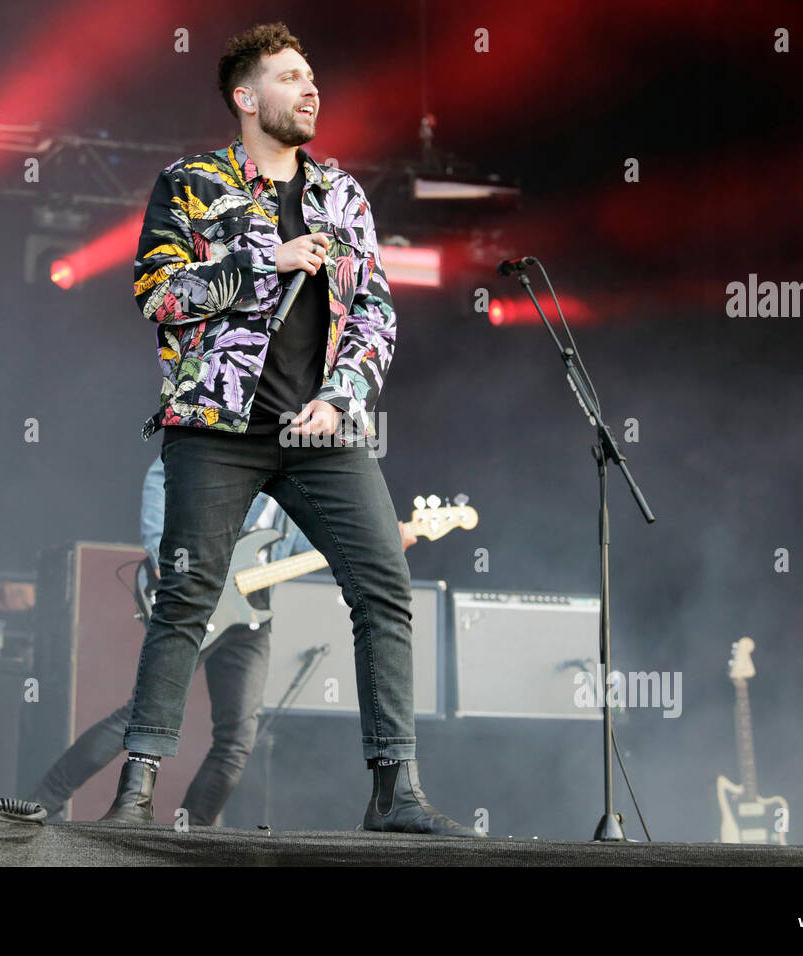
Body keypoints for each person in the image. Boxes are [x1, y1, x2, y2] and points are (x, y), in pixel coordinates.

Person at [105, 22, 480, 836]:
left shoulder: (343, 196)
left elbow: (376, 313)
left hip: (322, 432)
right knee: (187, 600)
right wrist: (257, 263)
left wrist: (343, 397)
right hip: (216, 425)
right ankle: (136, 791)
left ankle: (395, 792)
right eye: (289, 77)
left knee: (383, 588)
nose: (311, 90)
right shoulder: (192, 183)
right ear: (246, 97)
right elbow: (157, 296)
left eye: (313, 77)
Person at [28, 455, 308, 824]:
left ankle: (187, 834)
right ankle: (43, 801)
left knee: (237, 739)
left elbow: (305, 544)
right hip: (195, 598)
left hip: (252, 617)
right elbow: (165, 471)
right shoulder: (239, 430)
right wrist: (164, 548)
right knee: (138, 714)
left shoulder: (302, 472)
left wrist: (365, 545)